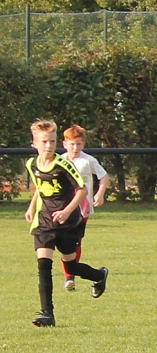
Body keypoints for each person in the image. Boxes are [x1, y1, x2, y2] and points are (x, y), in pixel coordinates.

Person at [24, 120, 109, 327]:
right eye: (44, 141)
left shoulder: (63, 165)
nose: (49, 146)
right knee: (43, 265)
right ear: (35, 143)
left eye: (52, 141)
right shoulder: (32, 164)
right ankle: (48, 314)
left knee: (71, 265)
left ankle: (99, 275)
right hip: (44, 221)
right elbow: (39, 188)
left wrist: (66, 211)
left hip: (68, 222)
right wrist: (31, 207)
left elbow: (81, 190)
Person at [60, 124, 109, 292]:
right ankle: (69, 275)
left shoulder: (88, 160)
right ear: (64, 144)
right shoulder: (60, 161)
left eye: (79, 144)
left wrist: (100, 194)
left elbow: (104, 177)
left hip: (82, 209)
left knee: (74, 242)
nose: (75, 147)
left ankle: (70, 275)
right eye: (72, 143)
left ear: (84, 144)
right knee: (61, 239)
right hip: (62, 207)